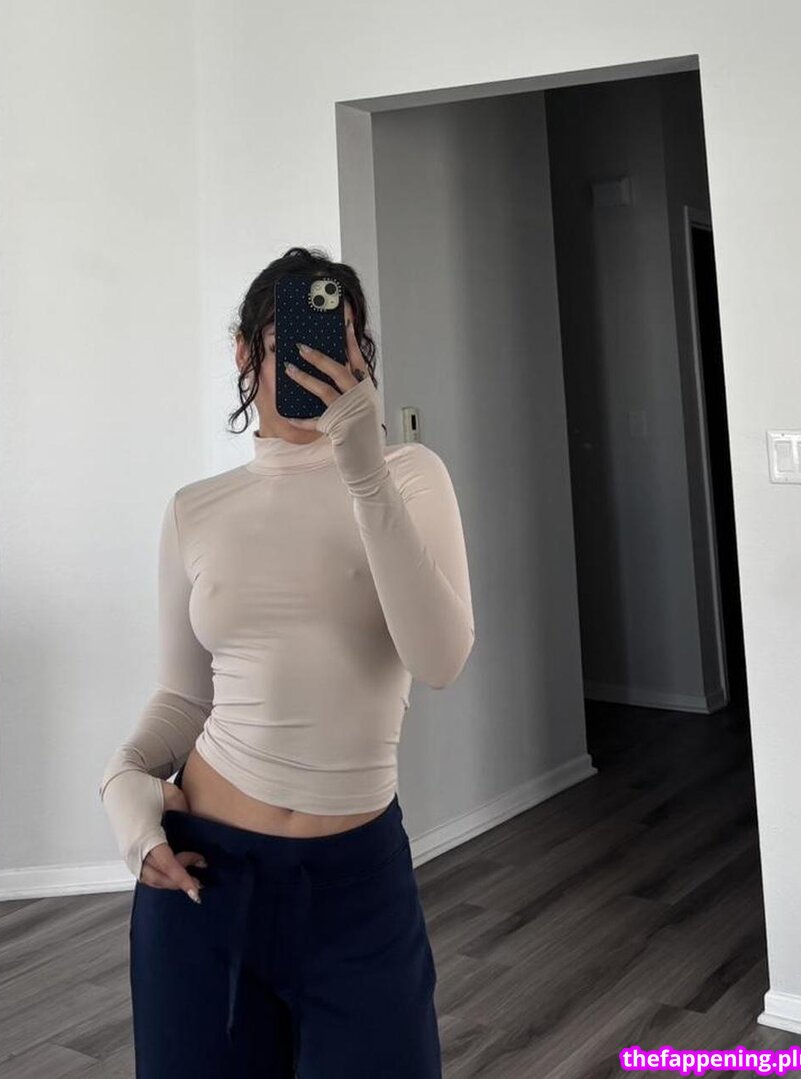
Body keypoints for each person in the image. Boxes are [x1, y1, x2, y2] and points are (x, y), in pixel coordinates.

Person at [99, 246, 475, 1077]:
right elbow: (182, 695)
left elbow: (441, 659)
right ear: (244, 352)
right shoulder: (196, 509)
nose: (316, 363)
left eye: (338, 341)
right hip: (205, 877)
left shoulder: (410, 477)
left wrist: (364, 472)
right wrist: (123, 775)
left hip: (357, 882)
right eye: (288, 342)